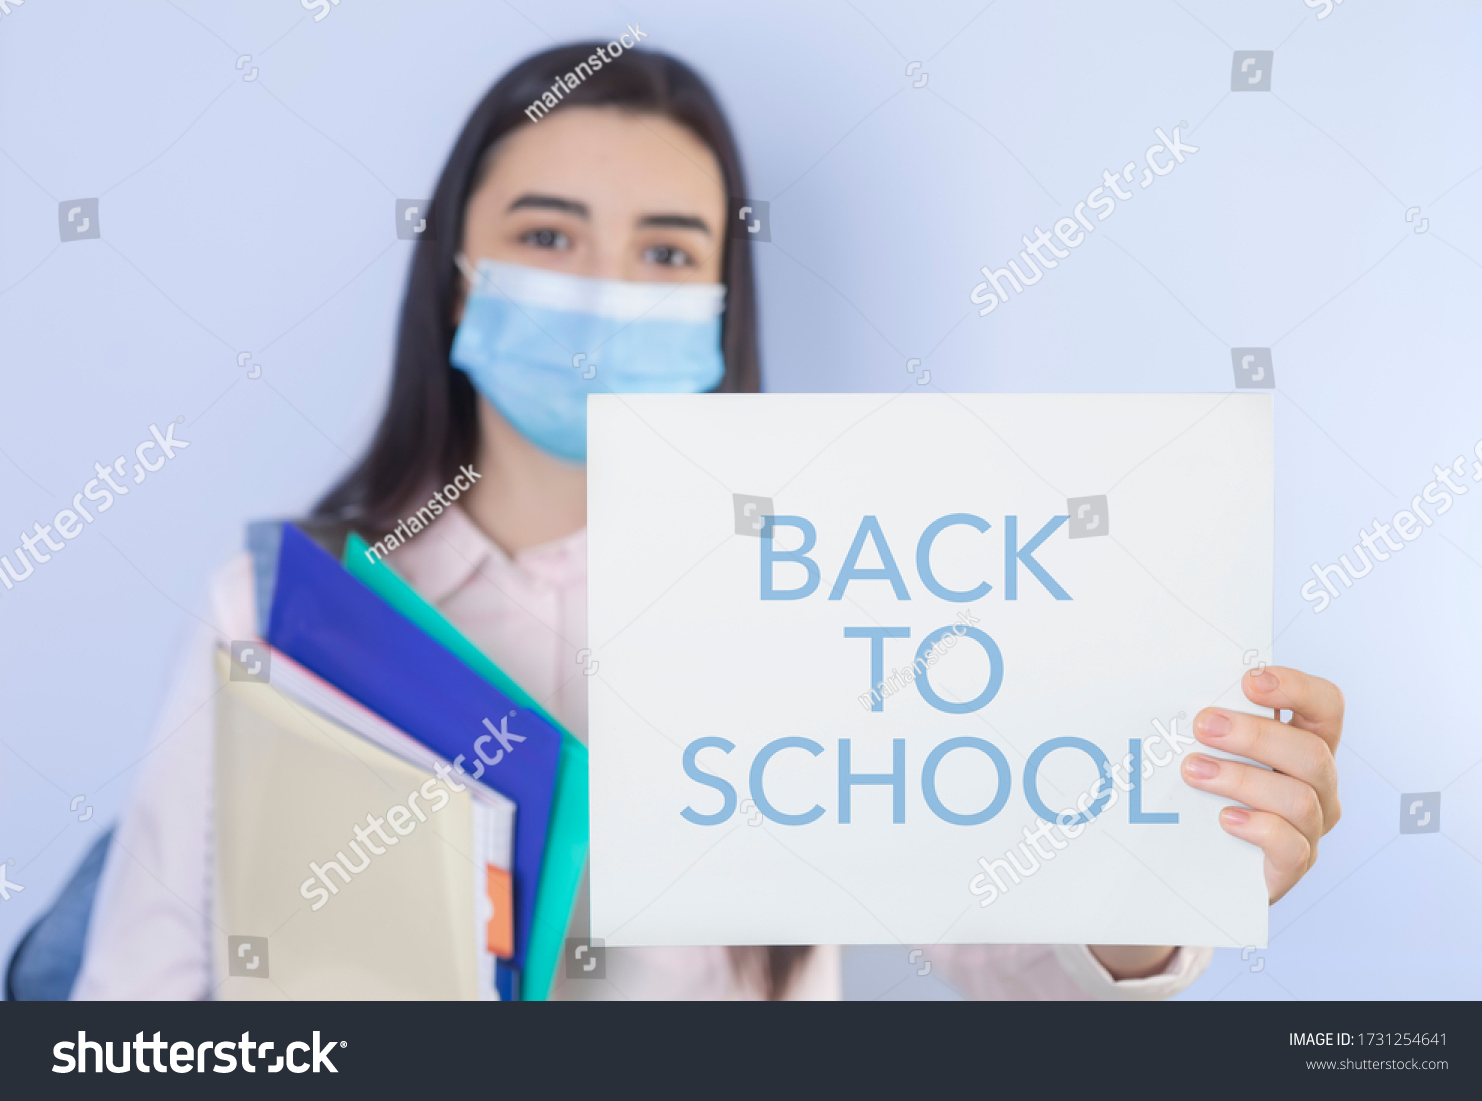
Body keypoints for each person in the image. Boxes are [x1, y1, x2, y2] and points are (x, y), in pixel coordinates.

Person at [73, 43, 1343, 1001]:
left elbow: (1026, 957)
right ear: (453, 266)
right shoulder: (283, 602)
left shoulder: (832, 597)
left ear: (724, 300)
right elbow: (139, 1000)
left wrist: (1176, 856)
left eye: (668, 254)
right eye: (547, 233)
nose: (605, 289)